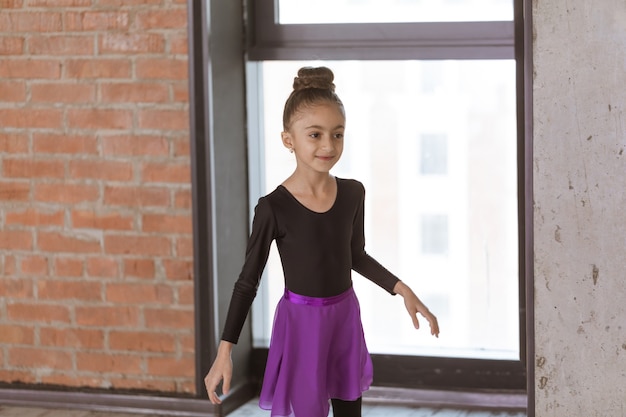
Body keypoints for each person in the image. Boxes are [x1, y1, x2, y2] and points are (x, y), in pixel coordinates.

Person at [204, 66, 440, 417]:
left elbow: (354, 255)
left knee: (349, 411)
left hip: (344, 318)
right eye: (315, 135)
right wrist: (224, 353)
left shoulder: (352, 193)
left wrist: (401, 288)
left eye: (337, 134)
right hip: (301, 326)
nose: (328, 145)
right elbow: (247, 282)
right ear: (289, 139)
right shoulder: (274, 207)